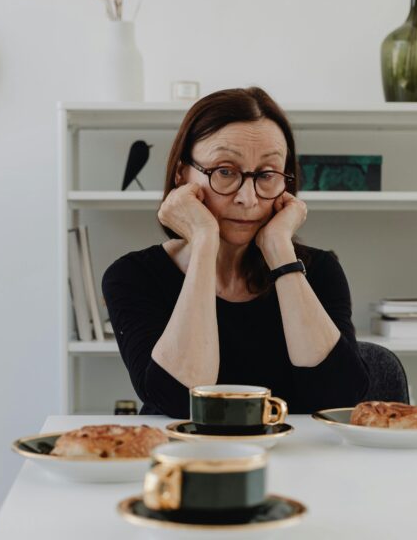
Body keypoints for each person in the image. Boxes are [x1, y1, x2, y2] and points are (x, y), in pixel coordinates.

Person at [101, 87, 368, 418]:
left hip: (296, 461)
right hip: (181, 461)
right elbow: (178, 400)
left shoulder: (319, 270)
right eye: (225, 171)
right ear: (182, 175)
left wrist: (279, 251)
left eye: (267, 175)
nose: (248, 198)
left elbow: (339, 398)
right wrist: (203, 240)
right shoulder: (132, 276)